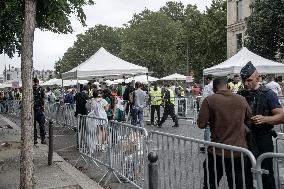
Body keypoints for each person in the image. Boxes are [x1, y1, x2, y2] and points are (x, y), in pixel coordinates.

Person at [197, 77, 252, 189]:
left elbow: (201, 124)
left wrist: (213, 121)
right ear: (228, 86)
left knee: (210, 184)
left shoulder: (209, 100)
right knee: (238, 185)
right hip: (238, 151)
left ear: (214, 88)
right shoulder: (241, 99)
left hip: (217, 151)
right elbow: (249, 120)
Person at [238, 61, 283, 189]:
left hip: (263, 138)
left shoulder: (269, 94)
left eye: (249, 80)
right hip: (244, 139)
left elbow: (281, 116)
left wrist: (265, 119)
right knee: (244, 173)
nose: (246, 83)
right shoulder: (240, 95)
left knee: (266, 173)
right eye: (243, 80)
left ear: (258, 78)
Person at [199, 74, 214, 152]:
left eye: (205, 80)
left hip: (209, 108)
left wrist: (201, 107)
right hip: (217, 108)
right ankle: (214, 145)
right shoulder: (216, 85)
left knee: (207, 127)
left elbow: (204, 98)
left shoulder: (207, 87)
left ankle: (206, 146)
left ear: (207, 79)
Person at [33, 78, 46, 144]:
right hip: (33, 110)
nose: (35, 84)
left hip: (39, 109)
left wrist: (43, 106)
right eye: (34, 83)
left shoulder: (41, 89)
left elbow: (43, 98)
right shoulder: (31, 89)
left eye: (36, 83)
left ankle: (42, 139)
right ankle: (35, 139)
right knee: (34, 126)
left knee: (41, 125)